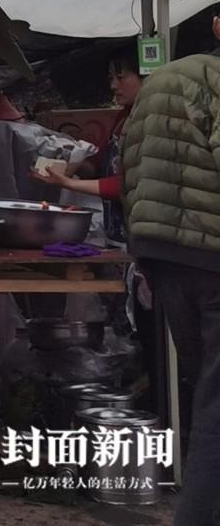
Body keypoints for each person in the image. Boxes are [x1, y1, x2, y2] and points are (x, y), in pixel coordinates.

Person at [121, 54, 220, 526]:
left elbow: (129, 165)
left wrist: (143, 248)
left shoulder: (162, 79)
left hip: (164, 258)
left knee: (207, 391)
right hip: (213, 256)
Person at [33, 45, 143, 248]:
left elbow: (129, 185)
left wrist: (69, 183)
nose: (114, 85)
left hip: (139, 236)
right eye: (111, 78)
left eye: (121, 77)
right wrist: (71, 167)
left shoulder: (148, 122)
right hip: (115, 235)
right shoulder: (122, 117)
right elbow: (100, 162)